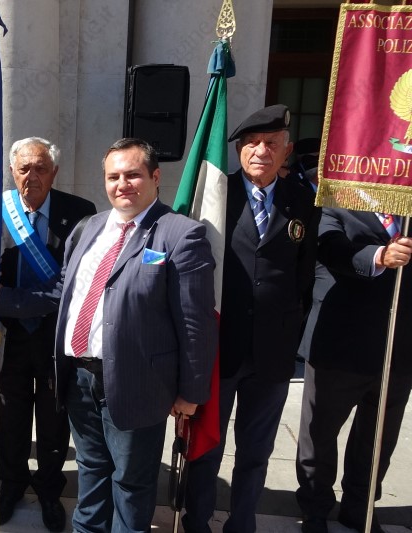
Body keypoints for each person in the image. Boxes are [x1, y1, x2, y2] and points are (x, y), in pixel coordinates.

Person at [49, 138, 216, 531]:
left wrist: (191, 393)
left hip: (138, 383)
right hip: (79, 379)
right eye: (113, 177)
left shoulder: (181, 235)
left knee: (131, 482)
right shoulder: (88, 228)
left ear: (155, 177)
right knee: (91, 471)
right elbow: (67, 291)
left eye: (132, 175)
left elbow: (195, 324)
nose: (122, 184)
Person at [182, 105, 321, 533]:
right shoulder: (217, 195)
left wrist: (290, 329)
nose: (261, 151)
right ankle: (197, 521)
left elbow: (304, 274)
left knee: (256, 452)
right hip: (220, 348)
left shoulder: (303, 200)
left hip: (273, 355)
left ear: (286, 151)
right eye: (252, 143)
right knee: (206, 448)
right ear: (240, 149)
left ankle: (242, 524)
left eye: (271, 144)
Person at [0, 137, 96, 531]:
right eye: (23, 168)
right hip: (8, 337)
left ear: (55, 172)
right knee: (10, 420)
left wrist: (8, 299)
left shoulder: (81, 213)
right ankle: (11, 486)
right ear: (11, 171)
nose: (31, 176)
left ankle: (50, 490)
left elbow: (73, 285)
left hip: (56, 338)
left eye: (40, 168)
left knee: (53, 423)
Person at [296, 208, 412, 533]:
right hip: (340, 345)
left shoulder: (407, 207)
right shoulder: (339, 199)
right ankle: (315, 508)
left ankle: (360, 508)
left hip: (398, 349)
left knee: (378, 440)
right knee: (319, 436)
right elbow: (330, 248)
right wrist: (380, 256)